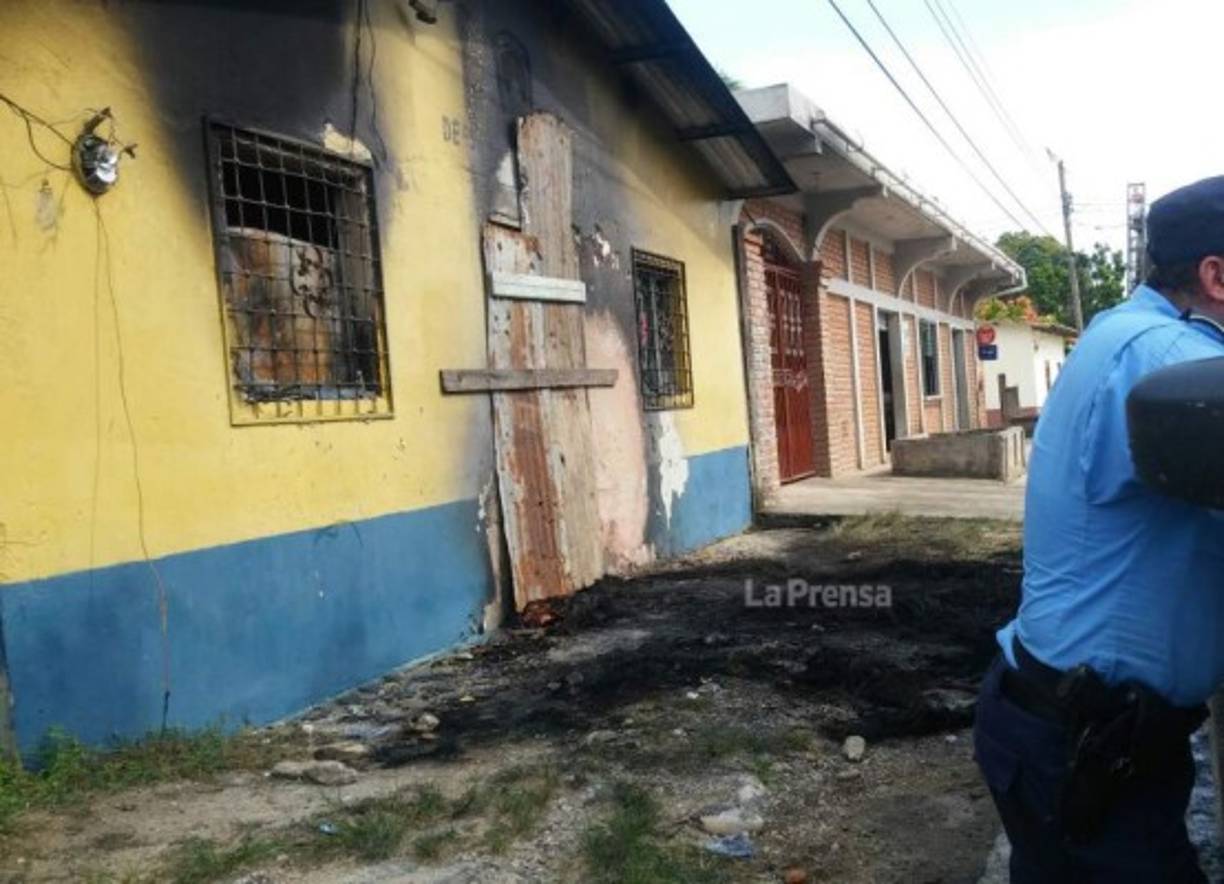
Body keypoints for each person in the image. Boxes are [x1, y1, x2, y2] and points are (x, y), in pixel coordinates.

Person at [974, 175, 1224, 883]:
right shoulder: (1171, 360)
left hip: (1058, 723)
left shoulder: (1126, 330)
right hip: (1086, 744)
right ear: (1217, 275)